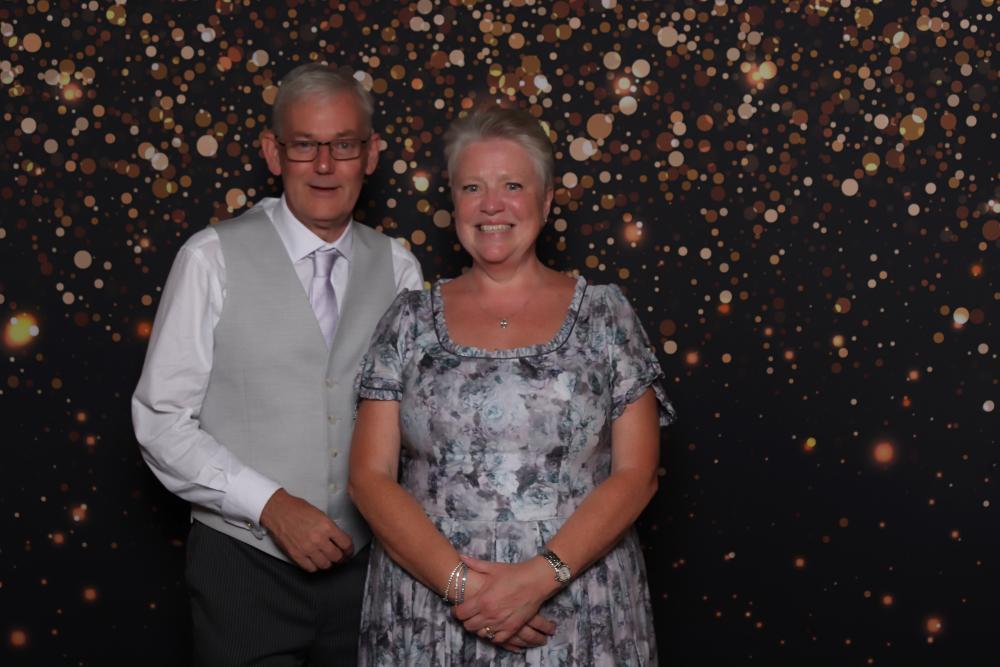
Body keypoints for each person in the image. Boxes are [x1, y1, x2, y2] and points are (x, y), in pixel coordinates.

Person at [349, 106, 676, 666]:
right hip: (432, 606)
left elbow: (637, 474)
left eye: (512, 186)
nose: (491, 204)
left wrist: (538, 579)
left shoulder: (606, 316)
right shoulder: (406, 319)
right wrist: (464, 589)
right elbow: (368, 479)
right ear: (455, 203)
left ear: (546, 202)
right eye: (472, 187)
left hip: (577, 601)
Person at [131, 63, 423, 665]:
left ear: (370, 154)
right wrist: (270, 505)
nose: (324, 165)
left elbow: (418, 428)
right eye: (305, 145)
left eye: (344, 145)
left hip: (370, 569)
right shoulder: (210, 258)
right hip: (243, 567)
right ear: (273, 151)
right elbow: (161, 421)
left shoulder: (399, 269)